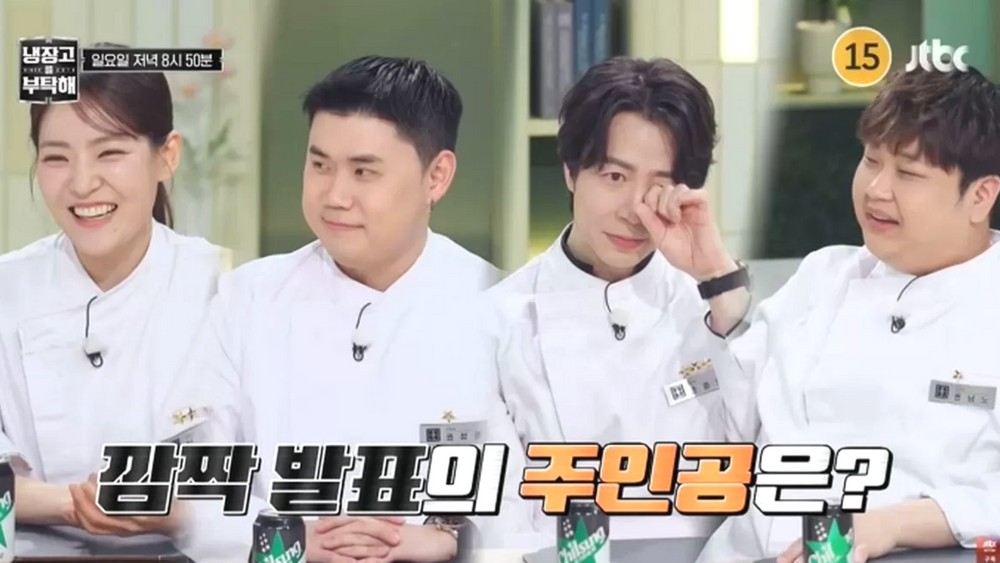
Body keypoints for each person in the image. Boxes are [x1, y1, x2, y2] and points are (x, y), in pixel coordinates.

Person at [177, 56, 532, 562]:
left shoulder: (499, 307)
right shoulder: (246, 299)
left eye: (364, 172)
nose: (335, 196)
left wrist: (448, 539)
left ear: (437, 176)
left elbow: (534, 501)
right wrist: (292, 540)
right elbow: (192, 491)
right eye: (320, 165)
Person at [691, 67, 1000, 562]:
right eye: (871, 160)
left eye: (908, 173)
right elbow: (722, 423)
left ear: (980, 196)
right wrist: (717, 288)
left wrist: (895, 525)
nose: (876, 189)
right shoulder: (824, 276)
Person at [487, 56, 748, 542]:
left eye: (660, 185)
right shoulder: (498, 323)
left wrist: (721, 289)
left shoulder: (713, 307)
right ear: (571, 171)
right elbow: (500, 518)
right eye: (614, 177)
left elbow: (764, 464)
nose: (633, 210)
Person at [0, 44, 227, 544]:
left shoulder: (224, 288)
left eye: (110, 153)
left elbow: (255, 478)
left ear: (166, 156)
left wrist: (173, 512)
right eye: (56, 157)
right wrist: (73, 504)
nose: (82, 183)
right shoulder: (7, 289)